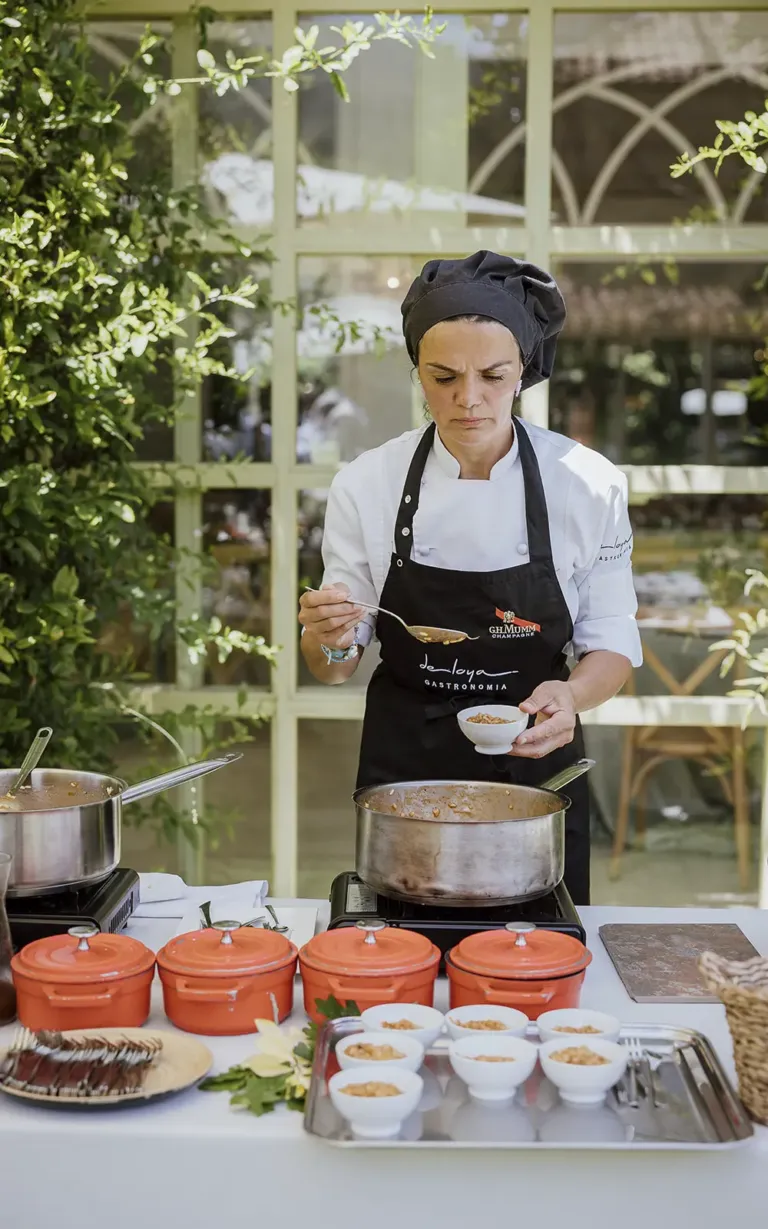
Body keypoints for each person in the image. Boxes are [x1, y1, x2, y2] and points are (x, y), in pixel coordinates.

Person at [298, 252, 642, 904]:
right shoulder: (366, 484)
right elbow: (335, 662)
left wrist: (571, 697)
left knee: (537, 962)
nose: (468, 397)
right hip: (406, 770)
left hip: (535, 760)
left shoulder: (590, 485)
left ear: (524, 374)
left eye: (492, 375)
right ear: (417, 374)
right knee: (401, 964)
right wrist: (329, 633)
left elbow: (612, 641)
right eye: (443, 376)